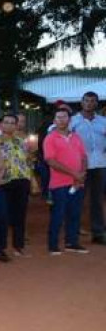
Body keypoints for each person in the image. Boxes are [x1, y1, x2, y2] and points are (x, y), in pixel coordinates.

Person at [44, 108, 88, 255]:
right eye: (58, 117)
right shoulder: (50, 138)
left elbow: (83, 157)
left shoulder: (76, 137)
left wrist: (82, 174)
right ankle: (53, 245)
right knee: (59, 214)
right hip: (60, 184)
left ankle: (72, 242)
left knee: (75, 213)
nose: (61, 120)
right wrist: (74, 173)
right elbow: (50, 160)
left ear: (69, 120)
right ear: (54, 120)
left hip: (78, 183)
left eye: (64, 117)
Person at [0, 113, 33, 259]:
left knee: (20, 215)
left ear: (16, 125)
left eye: (12, 123)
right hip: (3, 181)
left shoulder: (22, 141)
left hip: (22, 180)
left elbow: (28, 161)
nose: (9, 125)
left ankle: (18, 245)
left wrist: (32, 180)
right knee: (1, 215)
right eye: (6, 122)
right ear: (1, 124)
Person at [70, 92, 106, 245]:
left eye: (93, 101)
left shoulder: (103, 121)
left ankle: (98, 232)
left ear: (96, 104)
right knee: (77, 199)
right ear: (81, 102)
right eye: (86, 101)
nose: (89, 103)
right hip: (79, 167)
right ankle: (72, 233)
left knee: (97, 200)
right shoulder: (73, 122)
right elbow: (57, 133)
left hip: (100, 165)